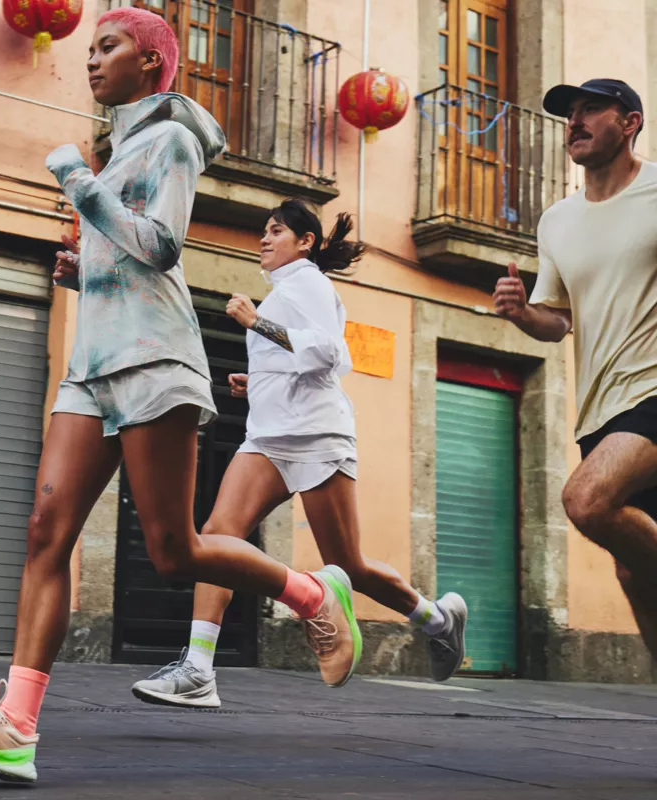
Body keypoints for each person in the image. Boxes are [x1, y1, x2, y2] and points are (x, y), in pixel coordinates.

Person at [0, 9, 360, 784]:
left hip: (156, 361)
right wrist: (81, 268)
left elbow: (161, 244)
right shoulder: (120, 145)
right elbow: (124, 255)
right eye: (89, 50)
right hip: (93, 362)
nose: (92, 61)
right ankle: (14, 725)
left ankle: (310, 592)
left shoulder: (171, 140)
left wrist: (80, 186)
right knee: (44, 532)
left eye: (108, 47)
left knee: (173, 549)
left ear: (152, 63)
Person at [130, 200, 468, 710]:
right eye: (263, 231)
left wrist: (256, 323)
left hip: (315, 436)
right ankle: (198, 667)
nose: (264, 239)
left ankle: (437, 620)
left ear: (305, 241)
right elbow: (300, 364)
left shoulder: (308, 283)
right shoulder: (285, 291)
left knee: (347, 564)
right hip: (268, 436)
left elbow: (333, 354)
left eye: (276, 231)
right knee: (218, 536)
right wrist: (259, 381)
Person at [493, 78, 657, 661]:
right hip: (600, 407)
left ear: (630, 122)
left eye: (592, 110)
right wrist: (521, 313)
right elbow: (557, 320)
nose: (576, 122)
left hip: (652, 390)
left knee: (586, 501)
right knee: (637, 576)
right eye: (571, 115)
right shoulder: (557, 221)